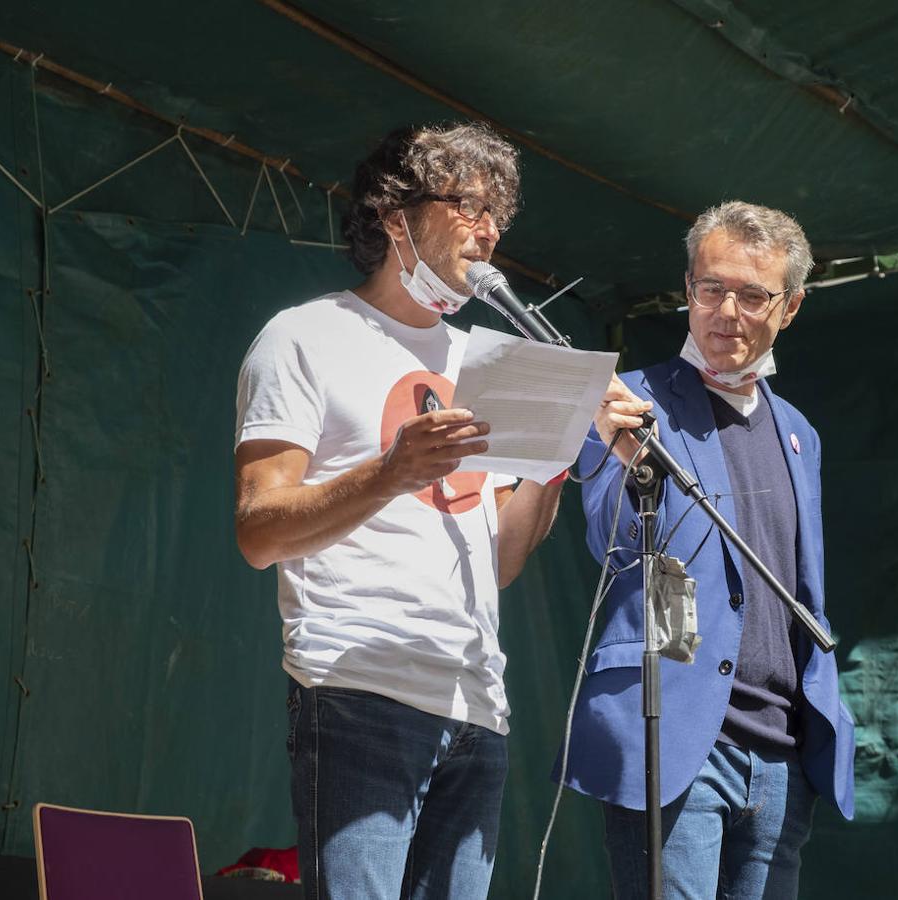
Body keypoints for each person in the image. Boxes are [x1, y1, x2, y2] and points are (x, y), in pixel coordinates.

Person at [233, 122, 568, 899]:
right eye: (468, 206)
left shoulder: (478, 358)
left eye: (498, 216)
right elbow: (257, 531)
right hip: (358, 689)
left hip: (477, 706)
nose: (488, 231)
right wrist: (390, 472)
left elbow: (503, 563)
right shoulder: (305, 336)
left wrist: (553, 463)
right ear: (393, 215)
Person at [561, 201, 855, 899]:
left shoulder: (799, 432)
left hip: (782, 751)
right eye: (709, 288)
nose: (726, 310)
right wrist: (621, 452)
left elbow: (799, 585)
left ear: (790, 307)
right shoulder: (629, 401)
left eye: (752, 294)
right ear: (687, 289)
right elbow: (612, 544)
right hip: (680, 733)